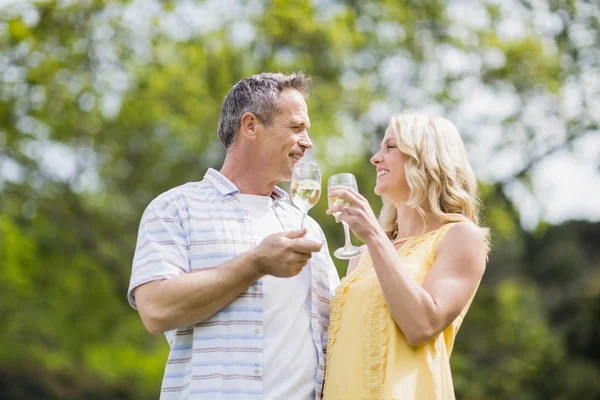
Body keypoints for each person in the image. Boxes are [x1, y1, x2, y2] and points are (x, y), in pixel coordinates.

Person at [128, 72, 340, 400]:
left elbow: (338, 326)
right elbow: (155, 309)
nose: (308, 142)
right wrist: (256, 263)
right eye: (297, 128)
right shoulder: (176, 209)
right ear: (251, 126)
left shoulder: (308, 225)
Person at [322, 113, 490, 400]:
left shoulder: (461, 237)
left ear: (425, 159)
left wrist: (374, 236)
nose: (375, 158)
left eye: (390, 147)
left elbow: (422, 326)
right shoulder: (361, 255)